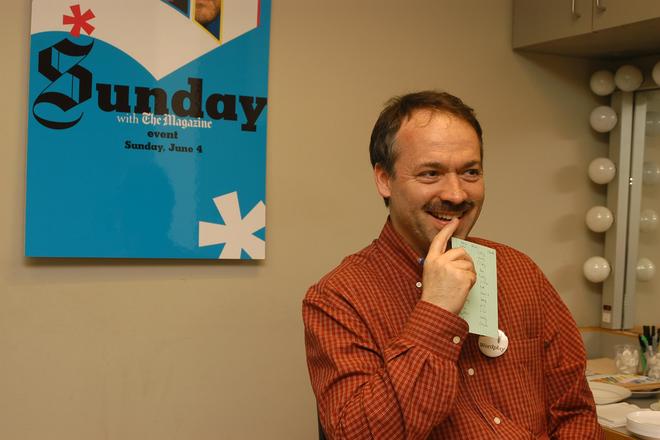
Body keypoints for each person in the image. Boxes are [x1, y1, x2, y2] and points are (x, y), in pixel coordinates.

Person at [303, 91, 603, 439]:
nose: (457, 194)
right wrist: (436, 312)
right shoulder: (337, 299)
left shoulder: (520, 272)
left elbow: (574, 411)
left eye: (470, 172)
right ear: (384, 180)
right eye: (431, 173)